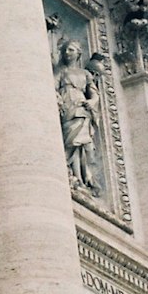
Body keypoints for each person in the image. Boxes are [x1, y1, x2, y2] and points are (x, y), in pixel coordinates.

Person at [55, 39, 101, 191]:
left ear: (78, 53)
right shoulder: (62, 71)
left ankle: (81, 176)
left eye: (71, 50)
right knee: (70, 139)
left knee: (81, 142)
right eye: (66, 50)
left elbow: (94, 94)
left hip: (81, 106)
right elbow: (54, 87)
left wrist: (92, 102)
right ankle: (74, 175)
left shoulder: (85, 74)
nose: (67, 53)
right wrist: (59, 99)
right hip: (67, 104)